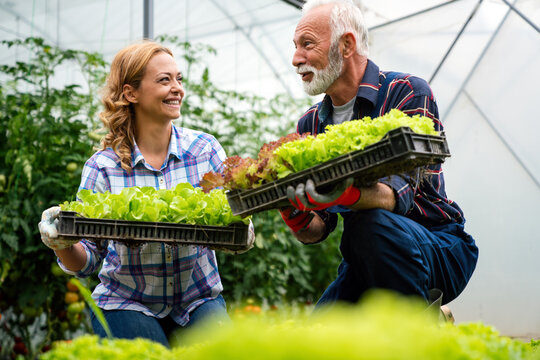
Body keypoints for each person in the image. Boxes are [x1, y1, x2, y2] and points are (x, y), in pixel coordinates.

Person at [38, 41, 253, 347]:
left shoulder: (203, 150)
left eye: (179, 79)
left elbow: (234, 221)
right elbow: (85, 262)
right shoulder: (104, 167)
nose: (177, 88)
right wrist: (60, 242)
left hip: (197, 298)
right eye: (164, 80)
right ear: (131, 93)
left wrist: (242, 229)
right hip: (127, 300)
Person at [280, 0, 478, 310]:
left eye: (307, 44)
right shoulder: (312, 123)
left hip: (438, 244)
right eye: (295, 46)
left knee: (369, 224)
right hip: (366, 252)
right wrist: (297, 213)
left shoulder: (407, 92)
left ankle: (420, 330)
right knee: (318, 335)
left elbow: (396, 196)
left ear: (346, 44)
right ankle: (429, 316)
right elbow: (318, 230)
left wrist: (339, 193)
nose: (295, 58)